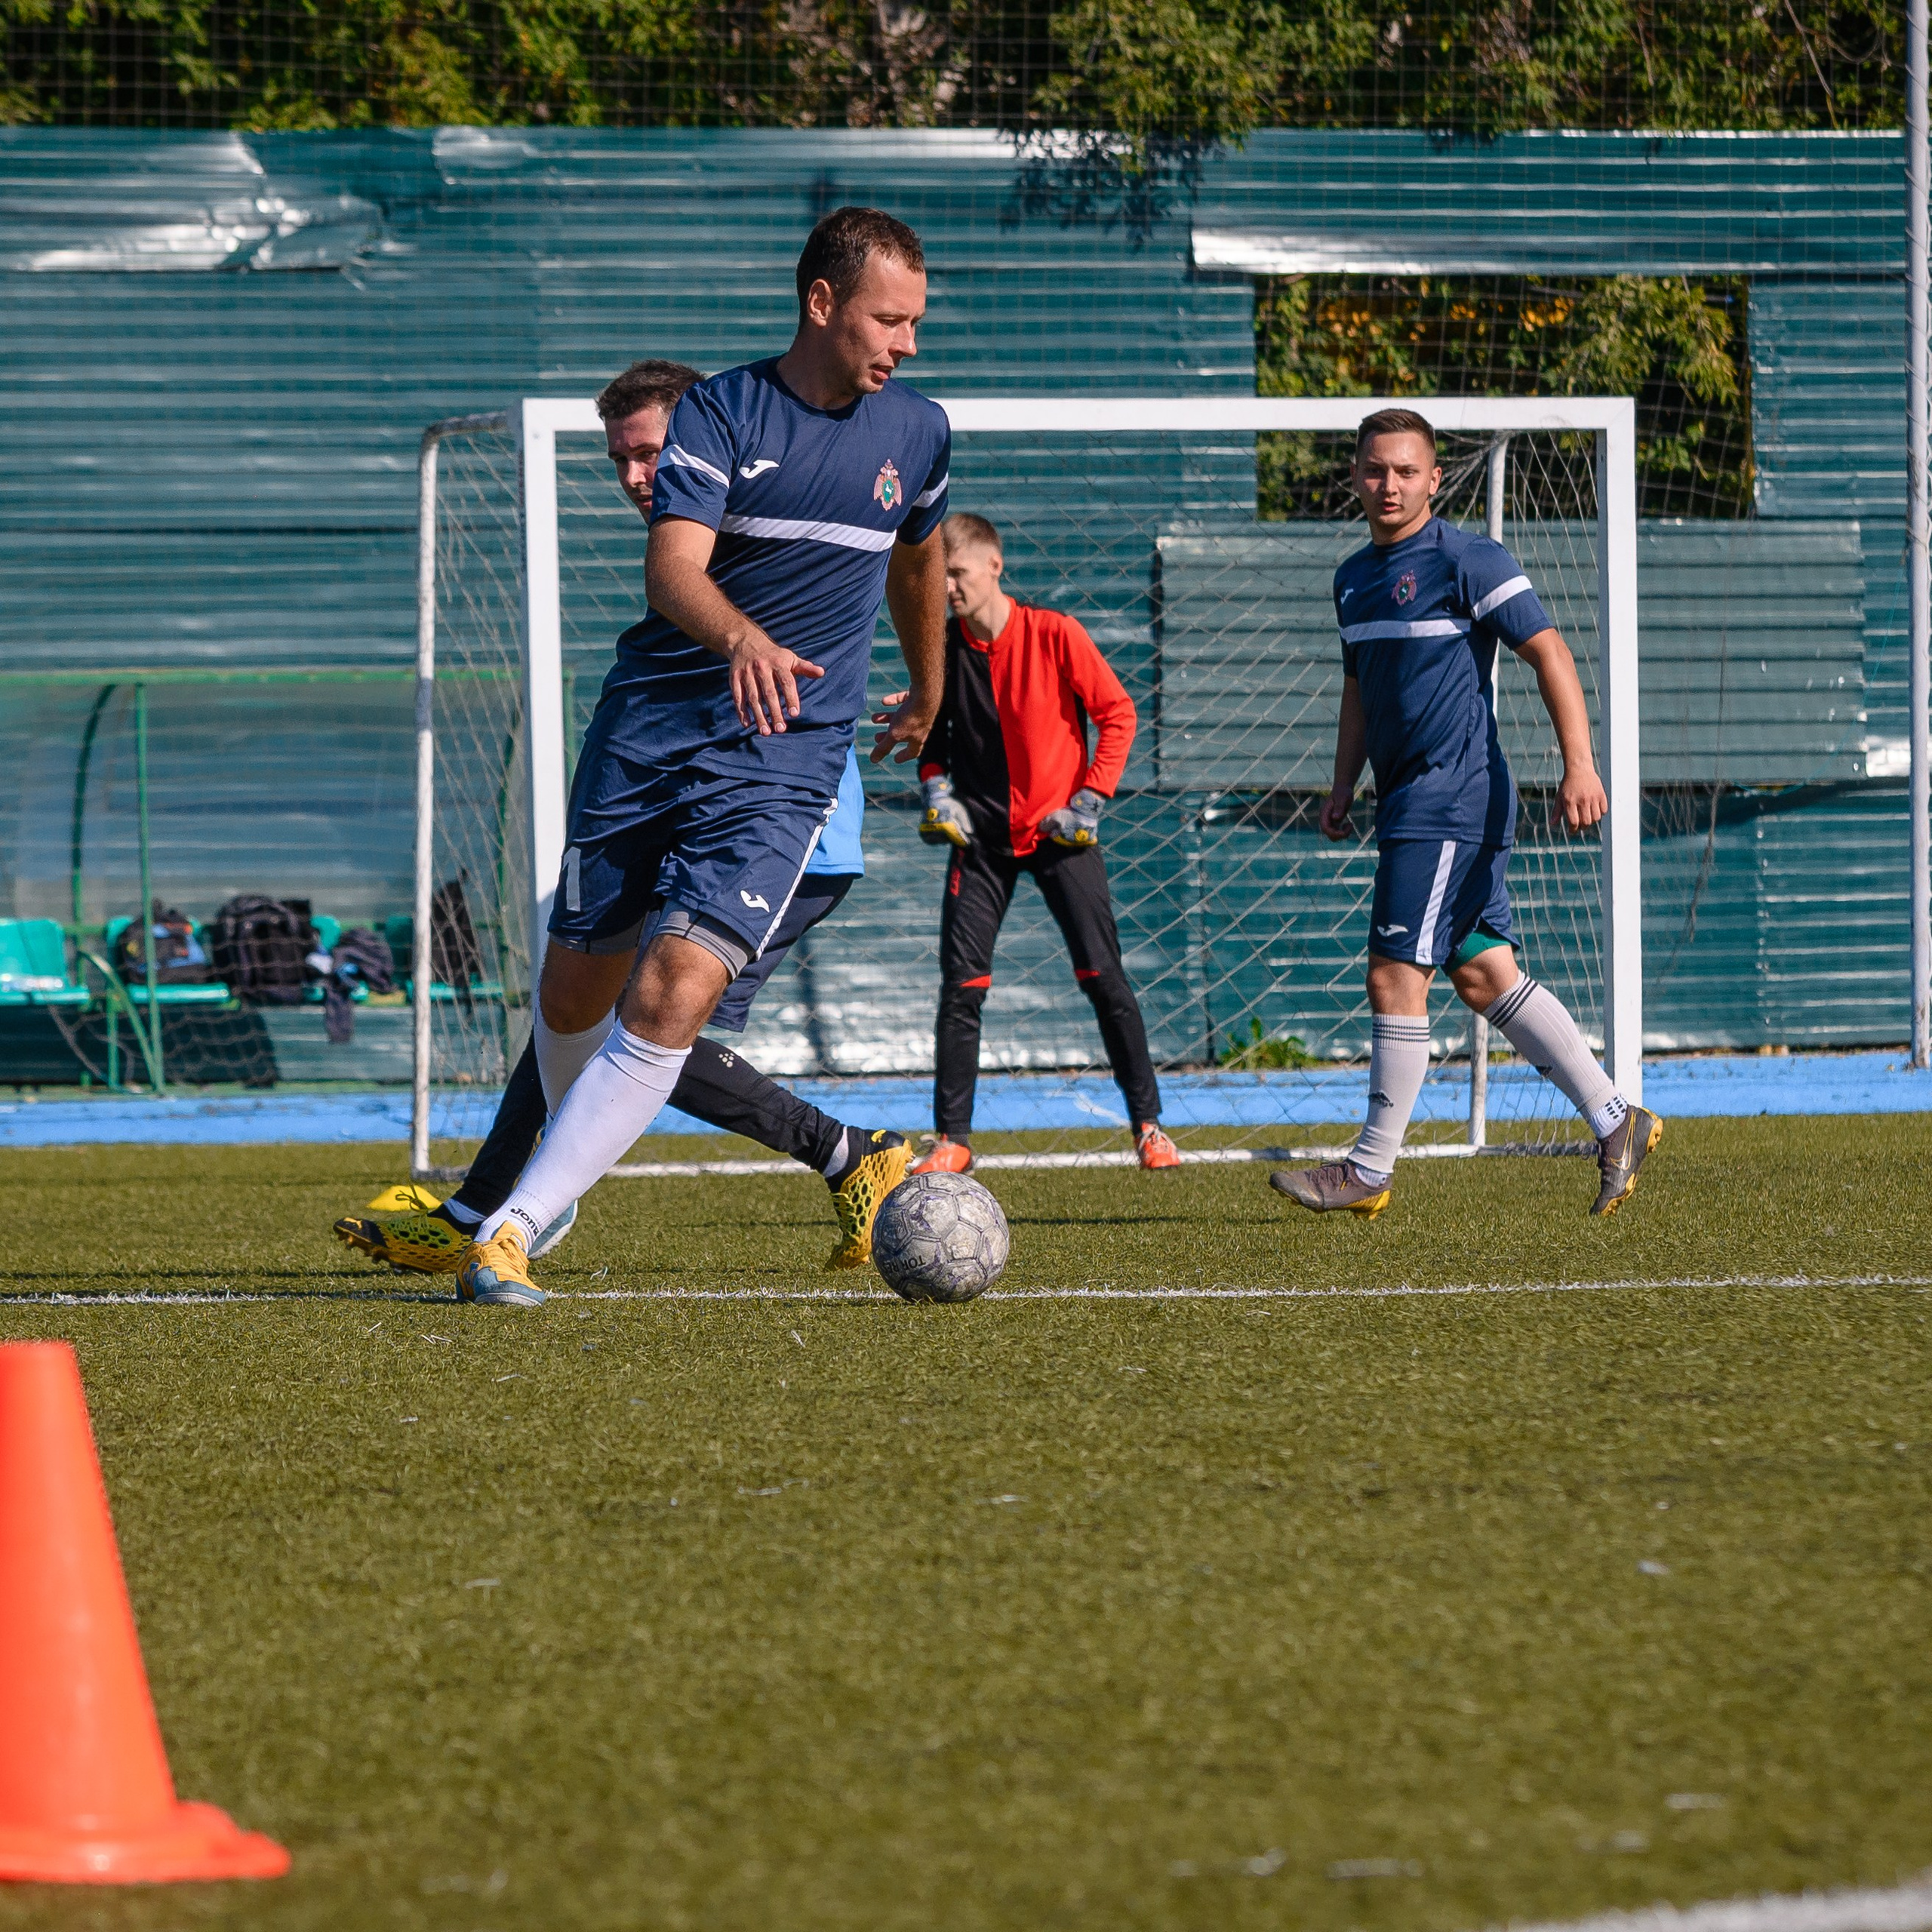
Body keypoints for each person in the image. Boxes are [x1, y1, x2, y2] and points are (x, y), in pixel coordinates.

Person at [451, 206, 950, 1307]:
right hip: (649, 743)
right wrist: (740, 637)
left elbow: (923, 557)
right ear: (822, 303)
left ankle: (511, 1227)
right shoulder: (720, 412)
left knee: (673, 991)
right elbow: (671, 570)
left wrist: (932, 680)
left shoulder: (918, 431)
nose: (905, 343)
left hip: (782, 762)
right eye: (888, 319)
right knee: (574, 986)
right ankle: (538, 1184)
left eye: (915, 321)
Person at [334, 358, 910, 1278]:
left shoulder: (768, 518)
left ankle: (837, 1153)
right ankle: (492, 1204)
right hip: (685, 805)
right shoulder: (691, 547)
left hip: (786, 829)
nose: (641, 478)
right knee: (584, 1002)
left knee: (647, 1017)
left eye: (653, 454)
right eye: (623, 463)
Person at [1269, 407, 1661, 1221]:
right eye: (1375, 470)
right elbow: (1357, 692)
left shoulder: (1466, 559)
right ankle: (1617, 1120)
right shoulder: (1351, 576)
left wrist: (1579, 762)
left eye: (1405, 471)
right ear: (1355, 476)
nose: (1389, 485)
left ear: (1434, 479)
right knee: (1484, 973)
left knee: (1391, 973)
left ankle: (1369, 1168)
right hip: (1406, 799)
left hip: (1451, 796)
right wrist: (1343, 783)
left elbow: (1548, 650)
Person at [908, 512, 1178, 1174]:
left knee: (1104, 979)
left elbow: (1118, 713)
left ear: (995, 567)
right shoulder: (940, 649)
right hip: (981, 845)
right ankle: (953, 1141)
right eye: (938, 575)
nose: (946, 586)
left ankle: (1149, 1127)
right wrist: (937, 790)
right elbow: (930, 744)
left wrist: (1090, 799)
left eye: (957, 572)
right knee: (961, 988)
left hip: (1063, 838)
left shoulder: (1056, 633)